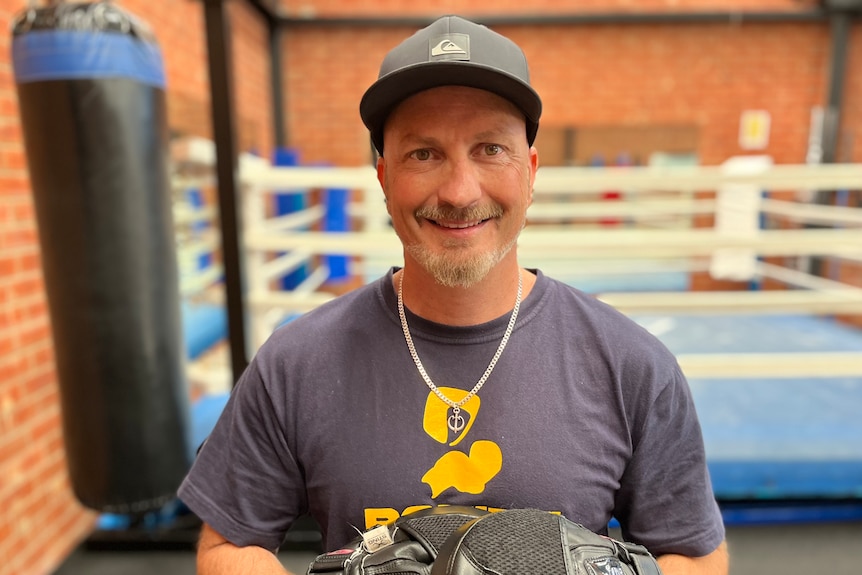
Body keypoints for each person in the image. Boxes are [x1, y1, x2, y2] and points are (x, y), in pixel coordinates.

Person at [178, 15, 728, 575]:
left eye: (490, 148)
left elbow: (694, 555)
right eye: (424, 154)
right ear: (384, 175)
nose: (460, 191)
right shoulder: (295, 364)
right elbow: (228, 545)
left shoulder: (631, 365)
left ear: (530, 172)